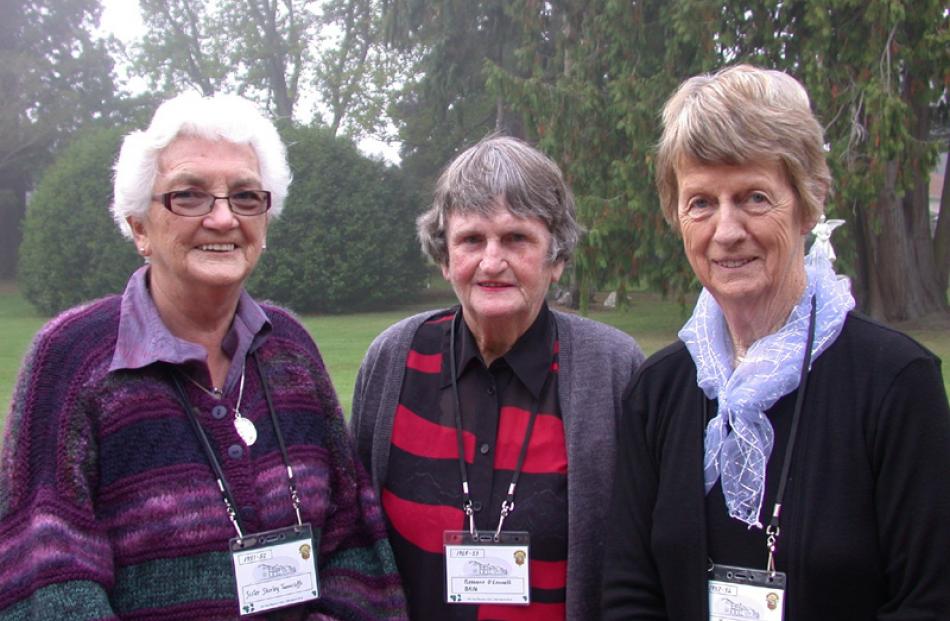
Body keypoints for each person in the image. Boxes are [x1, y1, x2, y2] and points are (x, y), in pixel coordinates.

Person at [0, 92, 406, 620]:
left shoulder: (291, 353)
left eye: (244, 196)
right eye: (189, 196)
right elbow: (46, 571)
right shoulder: (75, 358)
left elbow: (352, 538)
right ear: (139, 226)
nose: (222, 218)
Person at [601, 64, 950, 620]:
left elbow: (928, 602)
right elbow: (628, 591)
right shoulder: (658, 391)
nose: (727, 230)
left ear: (809, 203)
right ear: (677, 216)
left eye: (755, 197)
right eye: (701, 203)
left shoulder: (897, 383)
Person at [351, 135, 645, 620]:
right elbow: (357, 533)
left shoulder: (613, 368)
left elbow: (637, 557)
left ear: (557, 259)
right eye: (471, 240)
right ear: (445, 258)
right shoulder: (393, 360)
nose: (491, 262)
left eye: (516, 238)